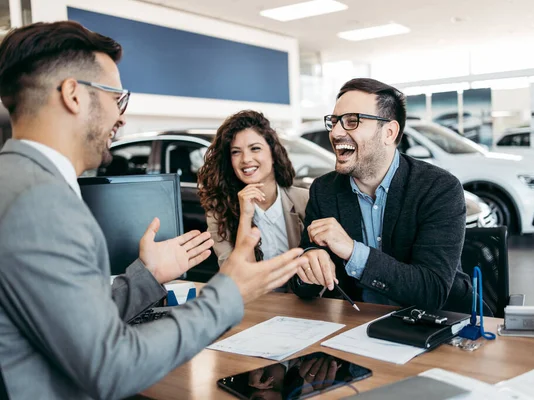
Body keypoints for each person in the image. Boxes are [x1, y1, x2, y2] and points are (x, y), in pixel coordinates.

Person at [0, 21, 307, 399]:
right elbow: (111, 366)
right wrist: (228, 294)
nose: (121, 118)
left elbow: (72, 320)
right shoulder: (41, 202)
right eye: (117, 98)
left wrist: (148, 276)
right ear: (73, 95)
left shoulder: (15, 182)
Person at [289, 78, 478, 314]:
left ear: (389, 132)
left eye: (351, 121)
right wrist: (310, 265)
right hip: (359, 324)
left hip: (442, 324)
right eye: (335, 121)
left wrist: (352, 250)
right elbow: (303, 284)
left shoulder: (439, 188)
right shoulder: (324, 190)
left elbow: (432, 291)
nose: (336, 132)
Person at [198, 110, 309, 266]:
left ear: (273, 153)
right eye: (236, 152)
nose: (246, 159)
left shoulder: (305, 200)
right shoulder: (219, 211)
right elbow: (239, 276)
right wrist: (245, 217)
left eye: (255, 148)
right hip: (254, 291)